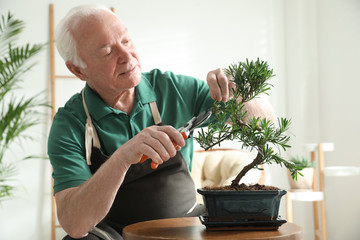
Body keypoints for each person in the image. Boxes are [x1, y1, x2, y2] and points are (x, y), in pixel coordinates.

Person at [48, 5, 250, 240]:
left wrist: (241, 91)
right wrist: (123, 157)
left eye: (126, 41)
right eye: (106, 52)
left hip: (188, 222)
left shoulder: (172, 88)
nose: (126, 56)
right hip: (114, 233)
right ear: (78, 70)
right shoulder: (69, 123)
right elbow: (74, 223)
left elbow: (261, 119)